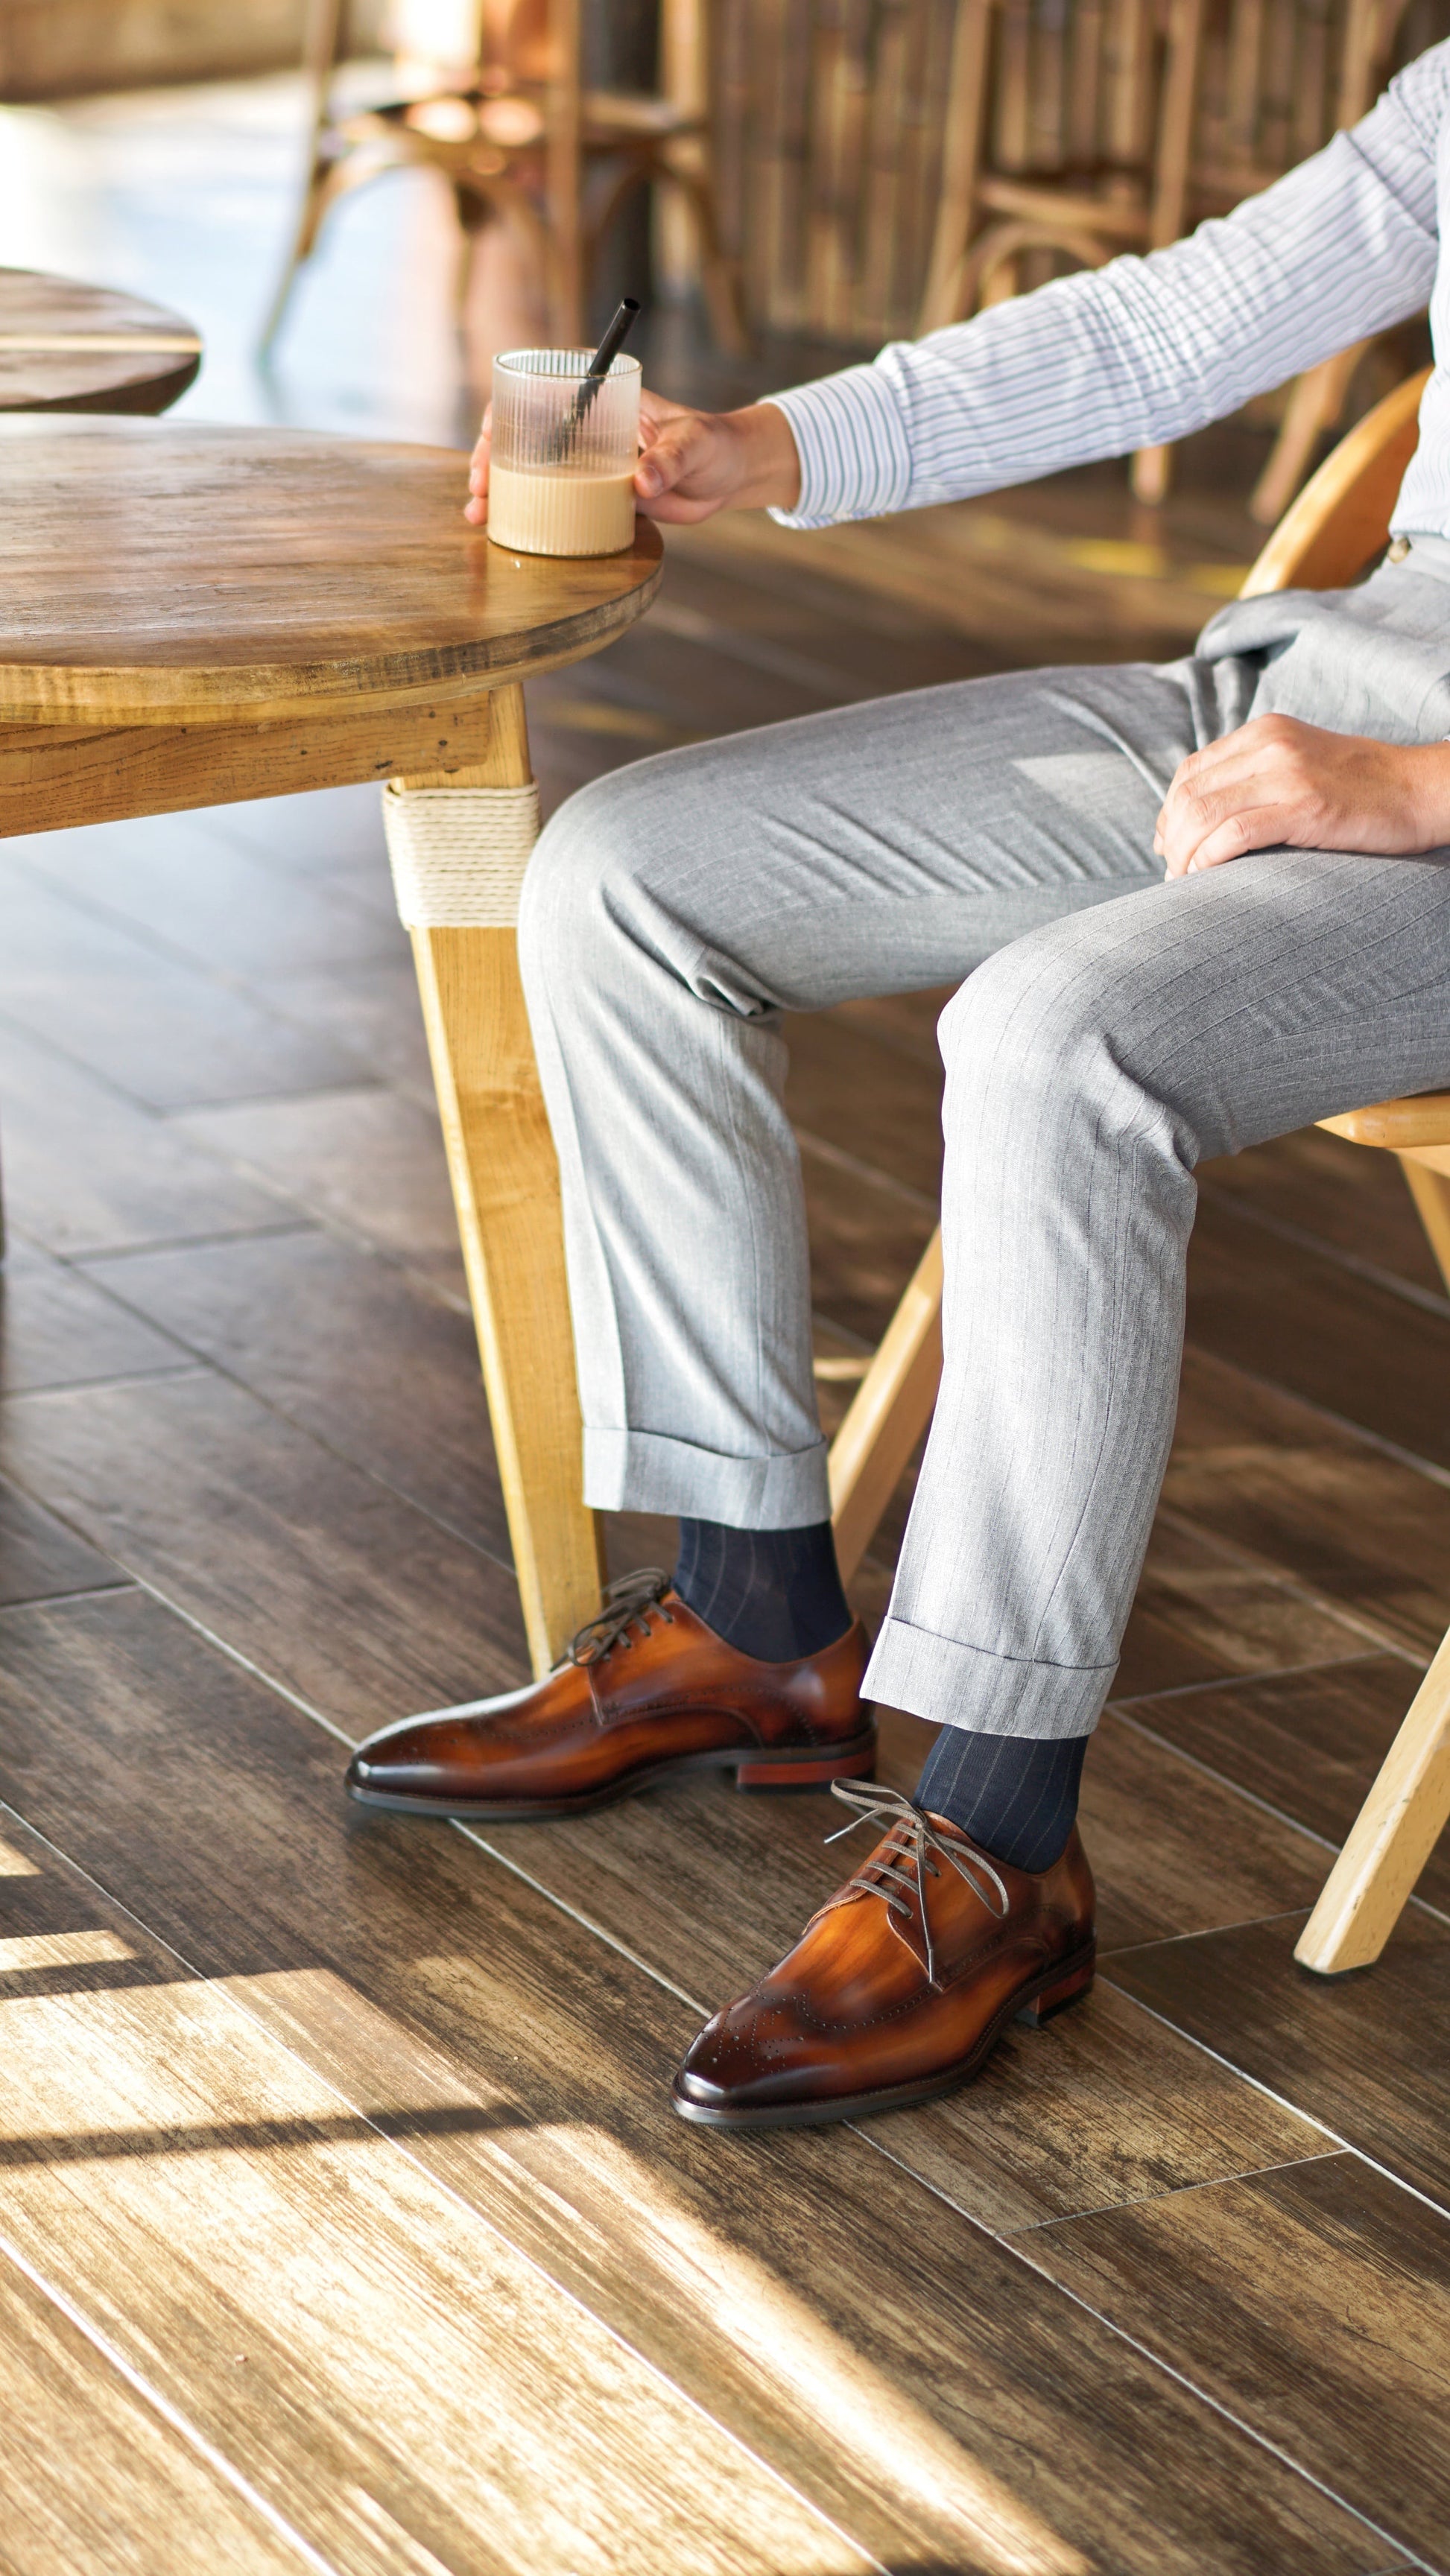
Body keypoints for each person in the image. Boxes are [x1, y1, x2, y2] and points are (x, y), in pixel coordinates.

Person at [349, 39, 1450, 2131]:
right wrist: (760, 442)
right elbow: (1166, 325)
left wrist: (1415, 782)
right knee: (625, 873)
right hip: (1304, 700)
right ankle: (751, 1612)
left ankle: (1001, 1837)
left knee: (1055, 1035)